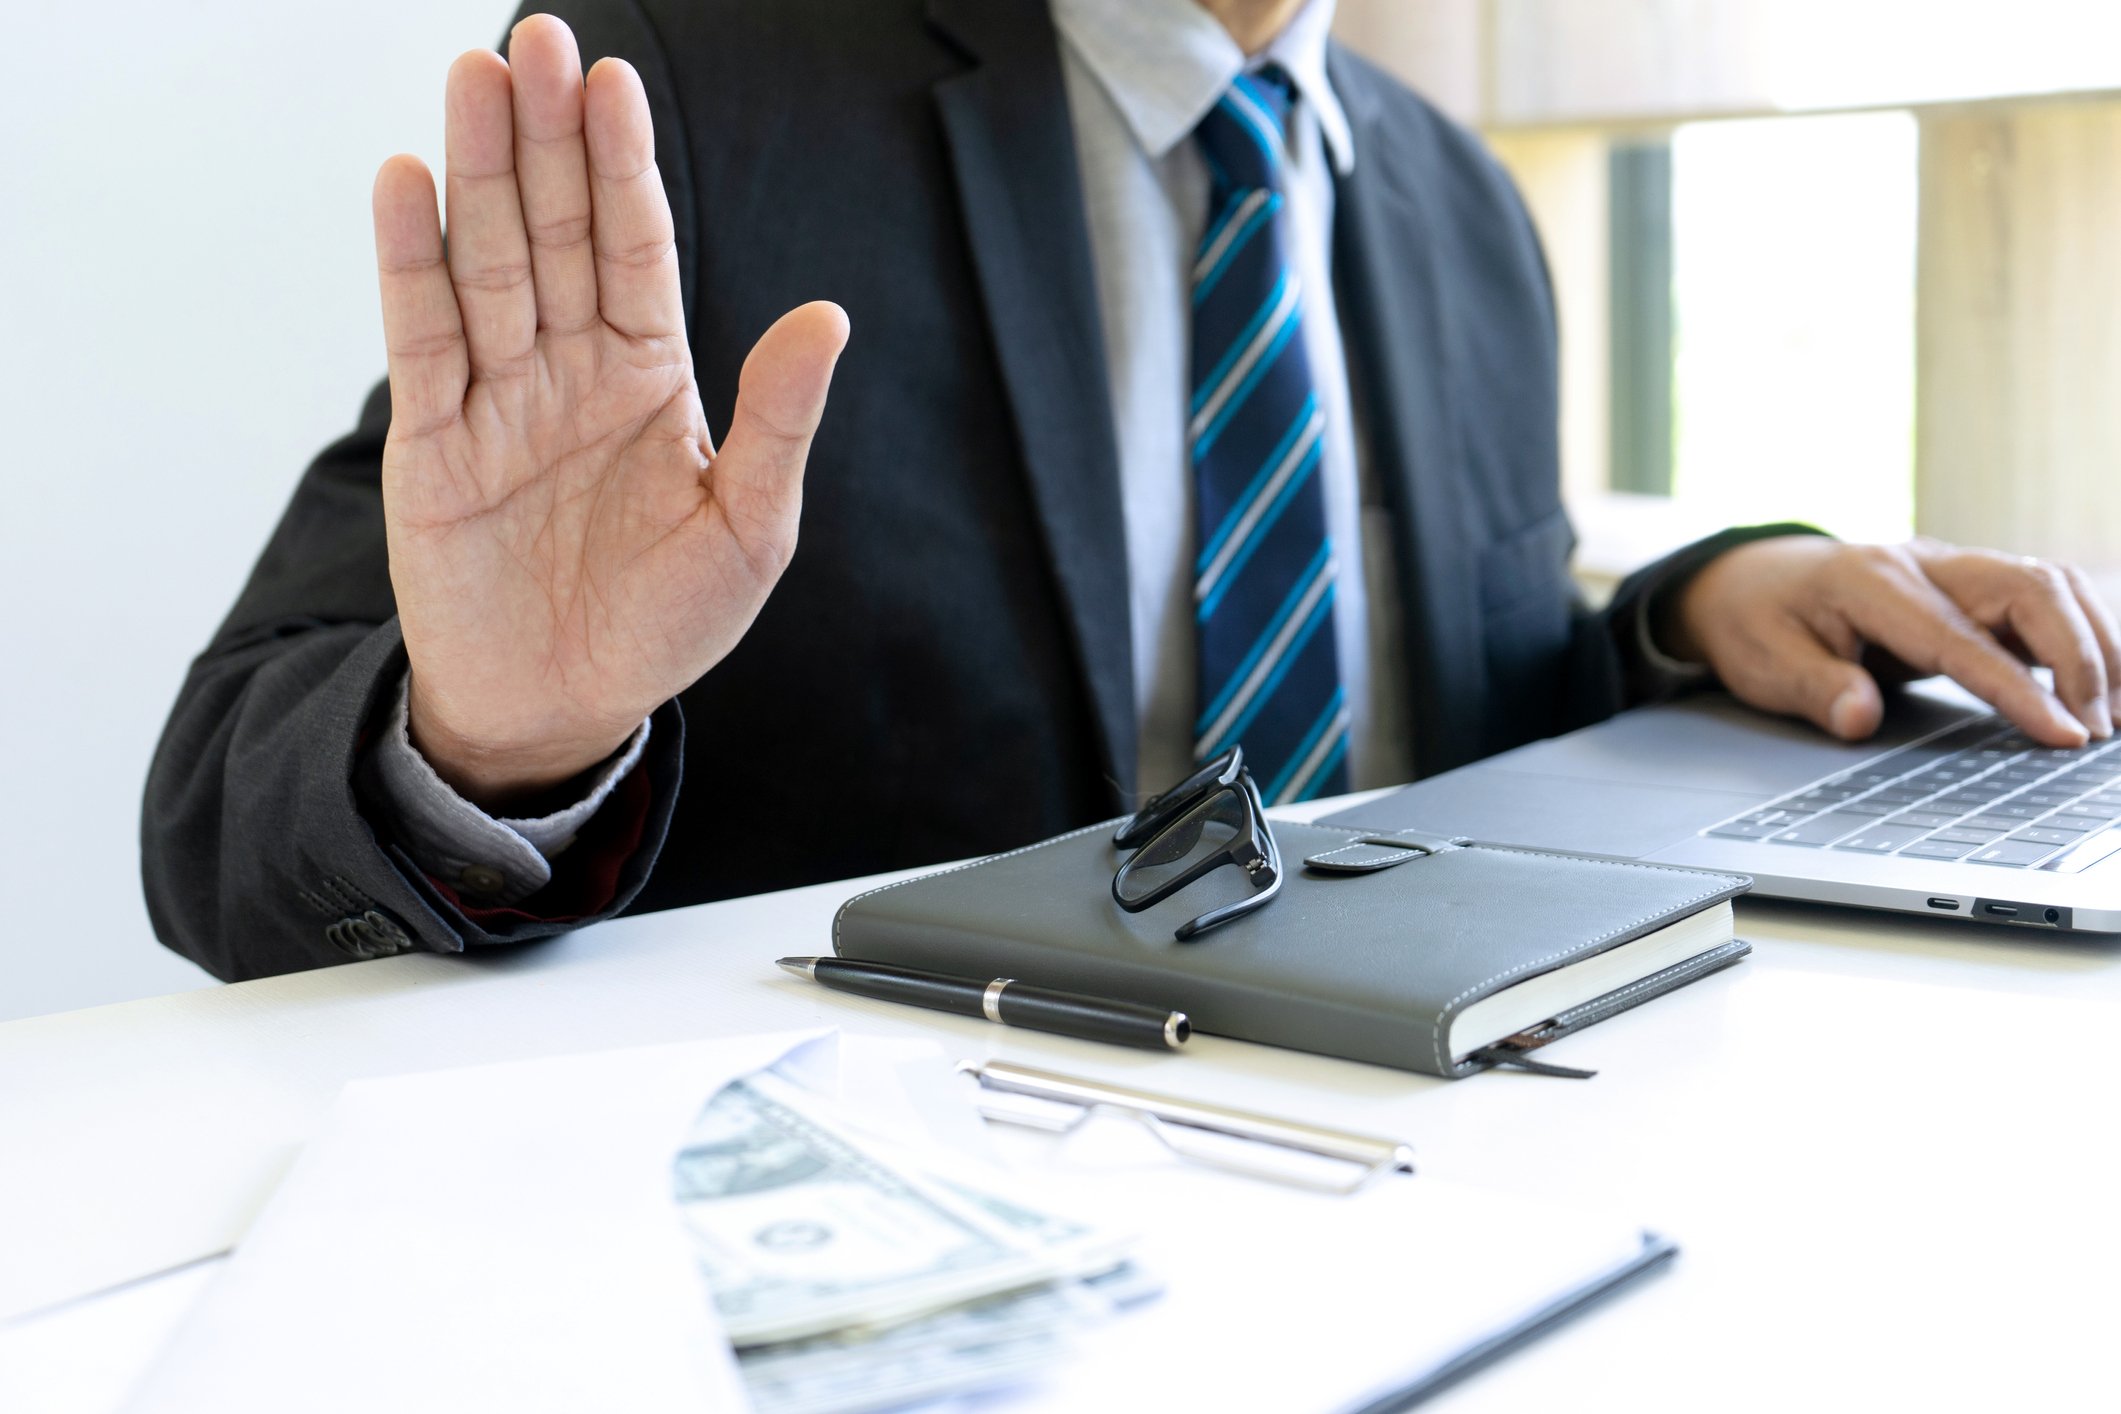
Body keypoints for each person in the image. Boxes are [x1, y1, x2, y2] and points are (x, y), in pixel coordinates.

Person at [143, 0, 2121, 982]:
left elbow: (1436, 738)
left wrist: (1702, 601)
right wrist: (502, 734)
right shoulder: (698, 88)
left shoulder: (1458, 202)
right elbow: (217, 815)